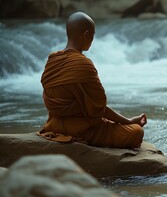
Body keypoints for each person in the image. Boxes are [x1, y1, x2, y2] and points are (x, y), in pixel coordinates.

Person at [39, 12, 147, 148]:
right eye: (93, 34)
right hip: (83, 130)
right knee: (136, 132)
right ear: (86, 35)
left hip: (53, 126)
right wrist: (129, 121)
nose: (92, 39)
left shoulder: (52, 60)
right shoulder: (83, 65)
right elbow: (99, 109)